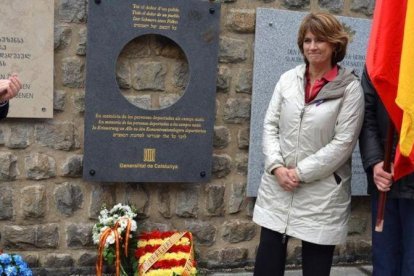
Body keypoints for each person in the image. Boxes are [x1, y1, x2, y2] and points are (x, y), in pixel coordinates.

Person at [252, 12, 364, 276]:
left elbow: (343, 143)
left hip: (322, 194)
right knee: (266, 265)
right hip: (278, 187)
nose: (312, 46)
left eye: (320, 40)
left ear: (335, 45)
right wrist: (277, 167)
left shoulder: (349, 89)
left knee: (315, 268)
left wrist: (300, 173)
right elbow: (269, 126)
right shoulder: (287, 80)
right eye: (307, 40)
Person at [359, 68, 414, 276]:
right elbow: (367, 115)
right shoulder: (379, 60)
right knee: (385, 264)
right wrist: (375, 162)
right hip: (385, 179)